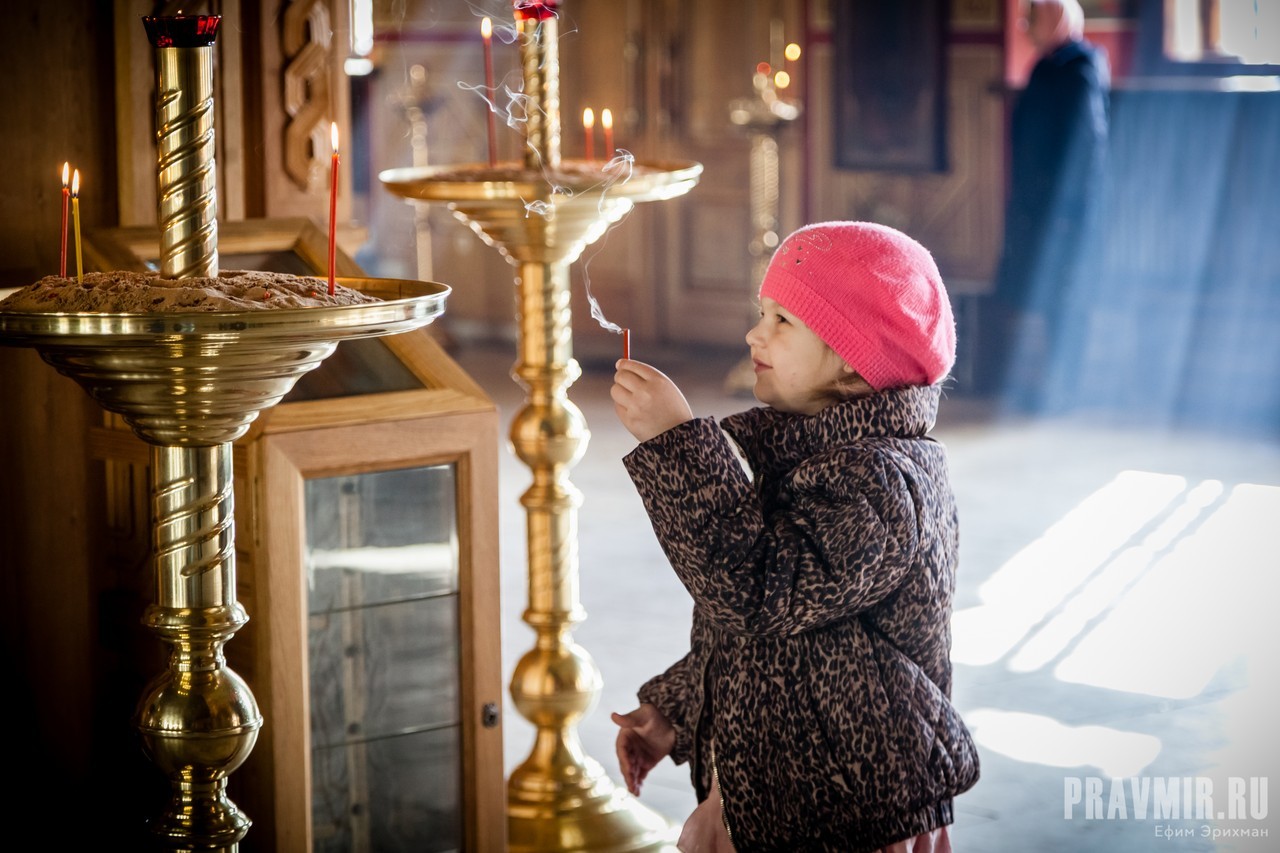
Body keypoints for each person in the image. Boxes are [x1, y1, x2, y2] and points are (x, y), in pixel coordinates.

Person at [609, 222, 980, 852]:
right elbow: (770, 646)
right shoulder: (800, 451)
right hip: (770, 791)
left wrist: (677, 446)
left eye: (783, 320)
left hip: (848, 811)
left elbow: (757, 592)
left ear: (855, 355)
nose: (755, 334)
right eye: (762, 313)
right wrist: (675, 708)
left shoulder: (882, 483)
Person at [985, 0, 1110, 403]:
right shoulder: (1047, 68)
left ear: (1056, 21)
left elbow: (1084, 150)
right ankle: (1040, 384)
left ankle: (1062, 390)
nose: (1024, 27)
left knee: (1064, 299)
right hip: (1037, 207)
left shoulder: (1079, 72)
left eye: (1032, 19)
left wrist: (1066, 212)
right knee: (1037, 293)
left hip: (1063, 213)